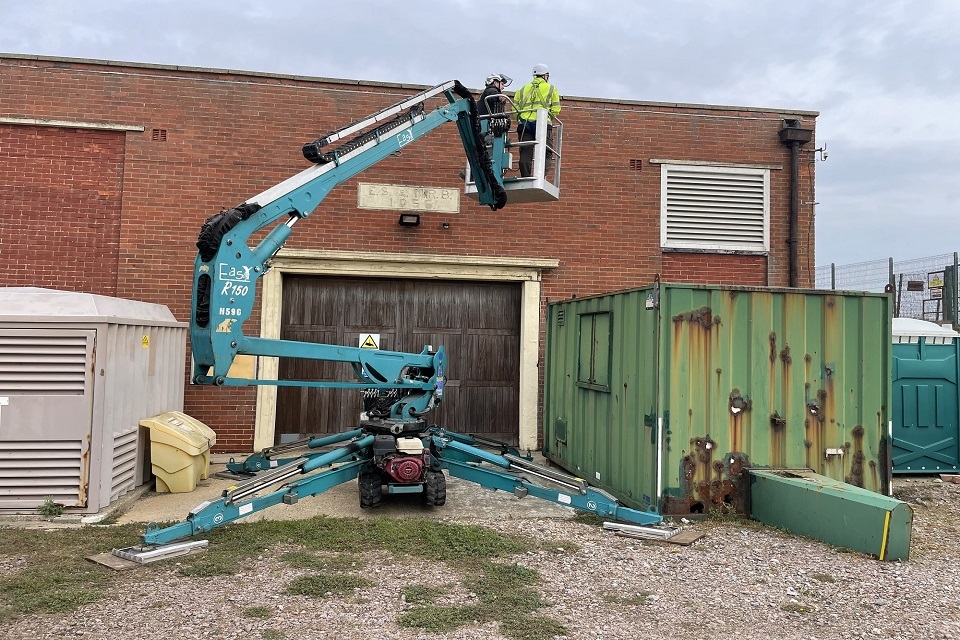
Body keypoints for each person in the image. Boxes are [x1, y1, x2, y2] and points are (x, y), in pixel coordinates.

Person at [513, 63, 561, 177]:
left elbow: (514, 109)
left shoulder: (522, 89)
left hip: (525, 124)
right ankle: (540, 176)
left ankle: (525, 176)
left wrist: (521, 118)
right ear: (546, 76)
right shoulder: (552, 89)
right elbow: (556, 109)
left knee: (525, 152)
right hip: (543, 124)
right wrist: (548, 116)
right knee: (547, 152)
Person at [478, 73, 512, 139]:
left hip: (489, 127)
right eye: (502, 84)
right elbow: (492, 94)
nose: (503, 87)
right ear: (495, 83)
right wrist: (499, 97)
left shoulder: (488, 91)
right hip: (487, 129)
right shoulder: (491, 89)